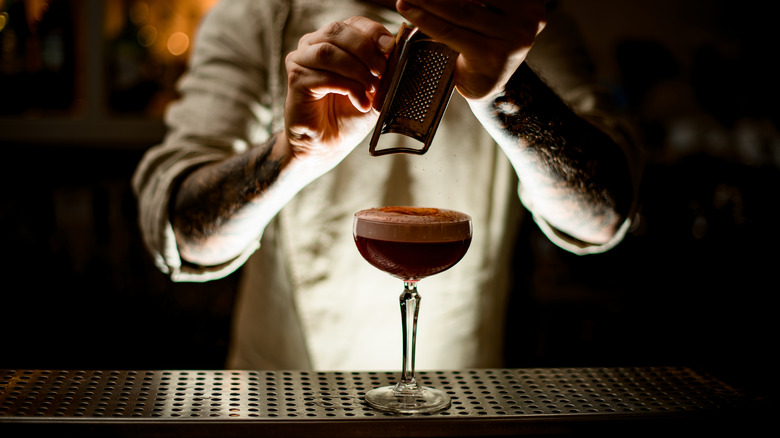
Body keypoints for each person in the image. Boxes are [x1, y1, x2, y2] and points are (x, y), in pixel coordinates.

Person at [132, 0, 640, 371]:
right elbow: (179, 233)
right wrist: (294, 155)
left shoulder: (521, 22)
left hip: (458, 403)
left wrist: (509, 89)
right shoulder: (259, 16)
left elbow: (602, 218)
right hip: (279, 403)